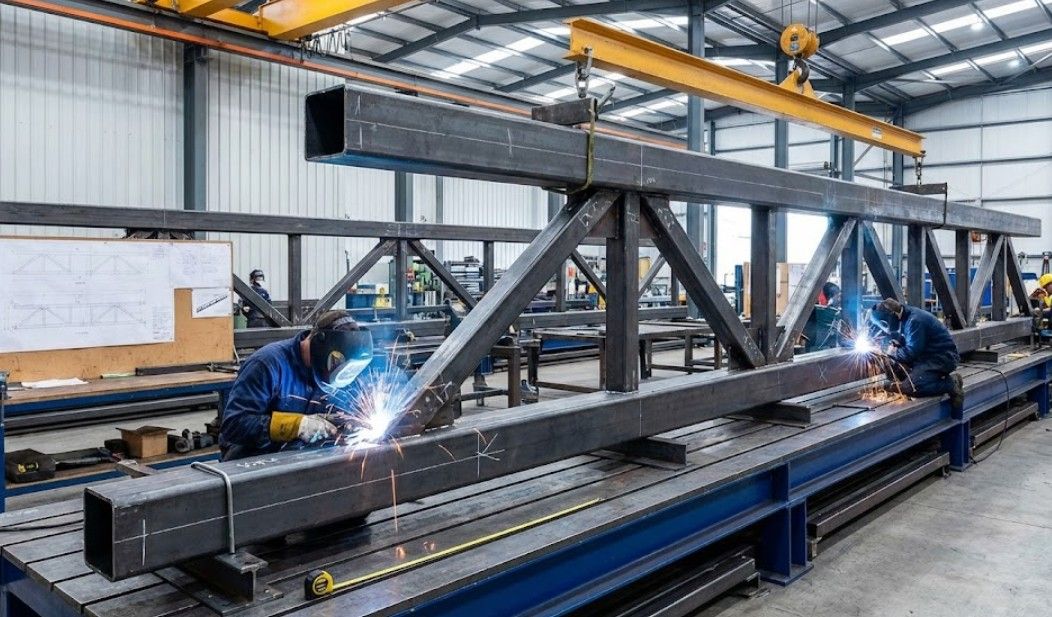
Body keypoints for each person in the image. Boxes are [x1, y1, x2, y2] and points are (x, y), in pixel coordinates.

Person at [220, 310, 374, 461]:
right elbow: (234, 425)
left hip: (304, 461)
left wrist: (346, 425)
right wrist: (296, 426)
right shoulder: (268, 364)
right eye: (335, 364)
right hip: (255, 462)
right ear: (320, 345)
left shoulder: (344, 366)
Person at [868, 298, 964, 408]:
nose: (887, 329)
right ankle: (911, 381)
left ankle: (951, 383)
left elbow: (912, 352)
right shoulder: (905, 316)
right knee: (893, 364)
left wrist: (892, 353)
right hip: (925, 356)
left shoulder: (914, 321)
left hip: (941, 358)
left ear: (892, 314)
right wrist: (897, 344)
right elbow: (913, 341)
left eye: (885, 325)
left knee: (913, 387)